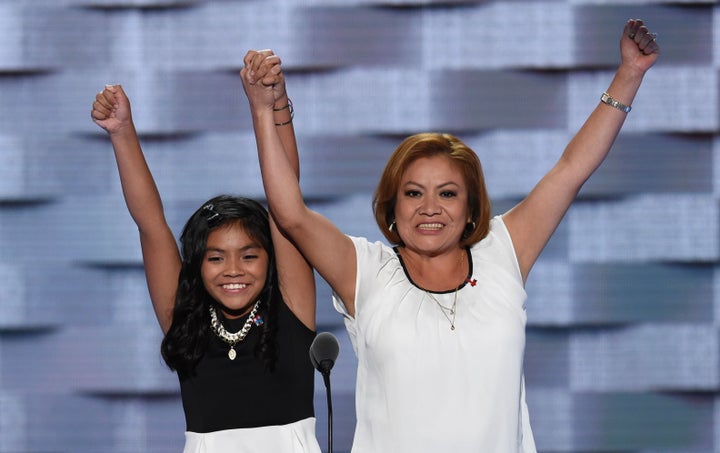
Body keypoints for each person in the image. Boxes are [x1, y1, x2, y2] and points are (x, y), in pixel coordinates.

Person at [242, 19, 659, 452]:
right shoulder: (365, 271)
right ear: (392, 204)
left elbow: (571, 169)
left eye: (447, 193)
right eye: (413, 193)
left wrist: (629, 73)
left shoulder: (504, 250)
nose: (429, 208)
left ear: (471, 206)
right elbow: (289, 214)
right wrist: (264, 109)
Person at [90, 54, 322, 453]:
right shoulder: (186, 324)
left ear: (271, 259)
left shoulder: (292, 307)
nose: (233, 270)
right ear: (198, 265)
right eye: (215, 258)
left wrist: (267, 107)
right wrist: (122, 132)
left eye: (249, 256)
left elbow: (288, 200)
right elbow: (151, 224)